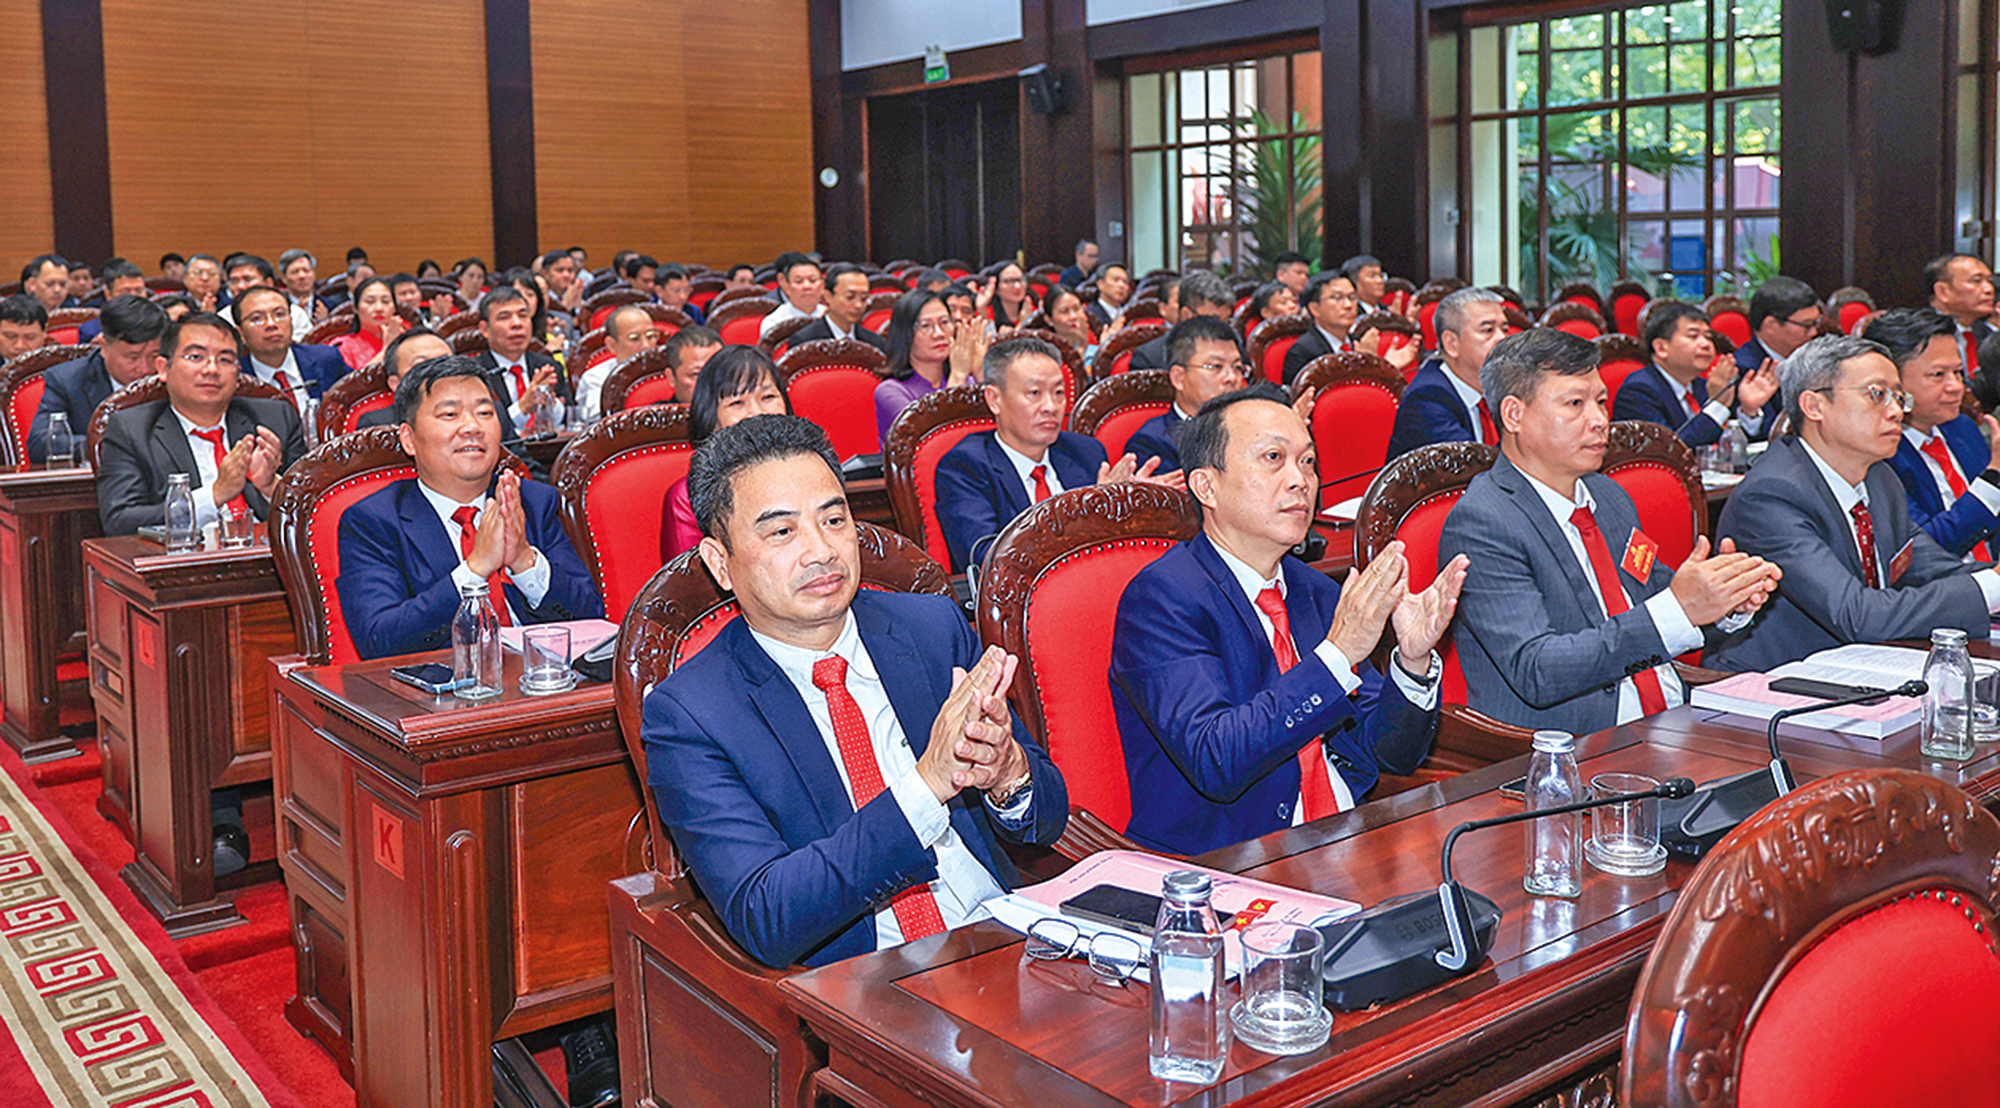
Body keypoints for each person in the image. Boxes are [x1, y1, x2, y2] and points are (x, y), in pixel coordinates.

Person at [641, 412, 1067, 968]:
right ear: (721, 563)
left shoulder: (932, 630)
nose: (821, 550)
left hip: (1004, 937)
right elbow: (766, 915)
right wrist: (926, 786)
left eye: (834, 519)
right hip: (863, 981)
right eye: (782, 531)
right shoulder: (691, 714)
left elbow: (1047, 821)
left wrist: (1009, 774)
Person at [1110, 382, 1460, 855]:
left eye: (1308, 461)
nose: (1301, 480)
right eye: (1273, 458)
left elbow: (1389, 754)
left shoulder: (1316, 590)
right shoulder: (1163, 599)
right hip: (1232, 858)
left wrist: (1412, 664)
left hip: (1346, 835)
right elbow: (1216, 759)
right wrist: (1336, 656)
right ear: (1206, 486)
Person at [1438, 329, 1778, 733]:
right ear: (1514, 415)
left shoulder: (1608, 495)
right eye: (1575, 404)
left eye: (1600, 401)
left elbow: (1652, 591)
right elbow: (1536, 669)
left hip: (1671, 714)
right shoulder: (1484, 521)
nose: (1600, 421)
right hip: (1582, 741)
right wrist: (1680, 608)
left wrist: (1724, 599)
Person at [1708, 335, 2000, 672]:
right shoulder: (1771, 494)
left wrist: (1992, 579)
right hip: (1776, 679)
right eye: (1877, 395)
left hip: (1868, 664)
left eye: (1898, 397)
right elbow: (1857, 615)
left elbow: (1933, 569)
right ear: (1814, 406)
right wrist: (1993, 585)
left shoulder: (1879, 477)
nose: (1896, 411)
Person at [335, 354, 602, 660]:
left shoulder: (531, 501)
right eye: (450, 414)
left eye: (485, 413)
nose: (472, 426)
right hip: (446, 686)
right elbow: (379, 640)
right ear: (409, 439)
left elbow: (590, 616)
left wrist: (524, 560)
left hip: (542, 679)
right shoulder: (374, 520)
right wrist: (475, 569)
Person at [934, 335, 1180, 572]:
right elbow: (987, 558)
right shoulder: (965, 467)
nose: (1051, 406)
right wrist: (1090, 514)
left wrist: (1135, 503)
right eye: (1035, 393)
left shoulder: (1085, 452)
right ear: (994, 399)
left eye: (1059, 393)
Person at [95, 311, 306, 536]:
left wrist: (271, 487)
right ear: (164, 368)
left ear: (238, 373)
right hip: (182, 556)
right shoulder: (131, 430)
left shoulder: (274, 419)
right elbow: (119, 521)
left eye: (225, 360)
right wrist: (215, 495)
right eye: (196, 357)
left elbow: (314, 509)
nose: (211, 370)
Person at [1872, 308, 2000, 560]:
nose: (1956, 387)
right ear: (1891, 383)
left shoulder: (1962, 428)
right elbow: (1921, 551)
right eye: (1938, 375)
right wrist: (1994, 477)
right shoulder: (1879, 453)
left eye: (1958, 372)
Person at [659, 346, 793, 562]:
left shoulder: (812, 473)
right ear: (711, 419)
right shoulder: (686, 498)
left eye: (768, 397)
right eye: (737, 403)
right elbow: (689, 580)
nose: (757, 412)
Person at [1612, 301, 1778, 447]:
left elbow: (1741, 444)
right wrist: (1717, 404)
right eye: (1693, 336)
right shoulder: (1638, 392)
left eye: (1708, 336)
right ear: (1661, 348)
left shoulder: (1703, 386)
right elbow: (1669, 450)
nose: (1706, 344)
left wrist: (1749, 410)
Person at [29, 294, 167, 463]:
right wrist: (111, 444)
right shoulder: (68, 380)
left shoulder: (174, 375)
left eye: (154, 356)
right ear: (103, 346)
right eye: (132, 357)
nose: (144, 369)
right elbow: (41, 443)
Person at [1386, 287, 1511, 461]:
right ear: (1451, 344)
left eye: (1504, 330)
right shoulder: (1426, 399)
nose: (1502, 339)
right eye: (1488, 330)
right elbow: (1475, 466)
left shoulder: (1503, 388)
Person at [1124, 316, 1248, 473]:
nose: (1232, 377)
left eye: (1237, 367)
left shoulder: (1251, 427)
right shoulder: (1153, 444)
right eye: (1216, 366)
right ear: (1179, 378)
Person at [874, 289, 983, 445]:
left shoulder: (968, 382)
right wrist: (958, 376)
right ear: (906, 334)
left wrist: (980, 374)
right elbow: (932, 442)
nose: (939, 333)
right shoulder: (890, 391)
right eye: (925, 326)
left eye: (944, 322)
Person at [232, 286, 346, 410]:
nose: (271, 324)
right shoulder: (235, 380)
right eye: (257, 318)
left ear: (291, 321)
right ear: (240, 332)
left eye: (279, 314)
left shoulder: (327, 359)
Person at [475, 286, 569, 434]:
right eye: (504, 317)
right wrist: (523, 407)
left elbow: (570, 420)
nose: (517, 323)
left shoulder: (548, 366)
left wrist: (550, 404)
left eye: (523, 315)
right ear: (485, 329)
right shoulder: (475, 375)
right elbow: (482, 428)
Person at [1926, 253, 1998, 408]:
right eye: (1976, 281)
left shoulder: (1988, 336)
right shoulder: (1919, 335)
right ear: (1942, 291)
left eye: (1989, 281)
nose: (1989, 289)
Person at [1130, 270, 1232, 370]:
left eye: (1227, 321)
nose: (1223, 330)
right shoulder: (1149, 359)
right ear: (1187, 315)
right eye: (1214, 320)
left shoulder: (1234, 350)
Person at [576, 304, 657, 421]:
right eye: (634, 338)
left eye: (650, 336)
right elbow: (599, 421)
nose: (646, 346)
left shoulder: (670, 370)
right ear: (612, 345)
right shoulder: (596, 379)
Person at [788, 263, 886, 352]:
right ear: (828, 296)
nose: (858, 305)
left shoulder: (875, 343)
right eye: (850, 297)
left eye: (864, 298)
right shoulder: (805, 342)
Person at [1283, 271, 1359, 385]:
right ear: (1314, 309)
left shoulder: (1359, 342)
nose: (1348, 305)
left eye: (1352, 297)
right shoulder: (1302, 352)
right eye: (1337, 298)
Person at [1734, 276, 1819, 377]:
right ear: (1771, 325)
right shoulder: (1745, 372)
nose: (1814, 332)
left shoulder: (1815, 360)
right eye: (1807, 325)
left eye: (1816, 323)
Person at [329, 276, 408, 372]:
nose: (379, 308)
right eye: (370, 302)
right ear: (355, 308)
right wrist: (387, 348)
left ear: (395, 308)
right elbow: (351, 381)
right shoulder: (342, 347)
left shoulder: (409, 342)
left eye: (385, 301)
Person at [759, 252, 826, 341]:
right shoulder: (774, 322)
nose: (807, 286)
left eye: (812, 280)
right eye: (799, 281)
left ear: (822, 286)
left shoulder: (833, 316)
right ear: (787, 287)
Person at [663, 324, 723, 403]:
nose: (712, 382)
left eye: (719, 371)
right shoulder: (656, 410)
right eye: (696, 374)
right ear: (671, 378)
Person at [1042, 286, 1097, 360]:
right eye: (1064, 311)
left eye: (1077, 308)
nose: (1073, 316)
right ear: (1049, 320)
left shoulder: (1096, 350)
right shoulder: (1047, 355)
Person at [982, 262, 1033, 329]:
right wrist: (1022, 323)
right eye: (1009, 281)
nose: (1017, 286)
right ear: (995, 286)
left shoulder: (1031, 310)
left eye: (1020, 280)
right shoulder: (987, 312)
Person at [1085, 263, 1133, 330]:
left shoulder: (1130, 313)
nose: (1121, 285)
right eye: (1116, 280)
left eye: (1125, 282)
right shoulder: (1090, 315)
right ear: (1101, 284)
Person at [0, 295, 49, 360]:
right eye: (10, 336)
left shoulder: (58, 361)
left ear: (44, 334)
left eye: (30, 337)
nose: (20, 346)